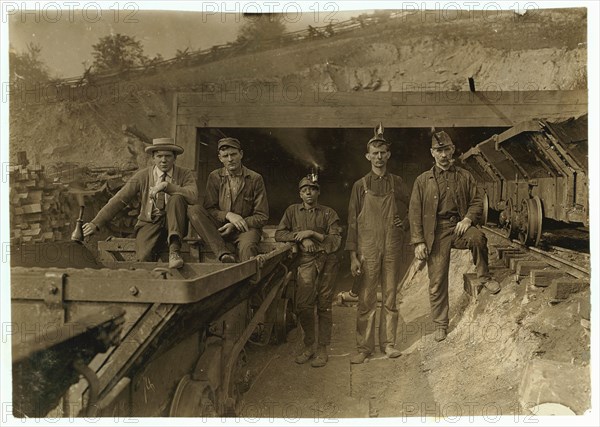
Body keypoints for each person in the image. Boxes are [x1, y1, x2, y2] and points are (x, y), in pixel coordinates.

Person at [408, 131, 501, 343]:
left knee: (478, 238)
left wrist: (468, 219)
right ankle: (441, 324)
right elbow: (414, 213)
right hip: (435, 233)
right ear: (432, 153)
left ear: (452, 150)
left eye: (447, 149)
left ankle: (484, 277)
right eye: (439, 151)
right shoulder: (423, 181)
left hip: (458, 227)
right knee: (437, 280)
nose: (443, 155)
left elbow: (477, 201)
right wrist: (419, 241)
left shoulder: (464, 176)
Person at [346, 125, 410, 364]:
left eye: (383, 152)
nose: (379, 156)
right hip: (368, 248)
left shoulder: (397, 182)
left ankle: (389, 344)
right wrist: (353, 256)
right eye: (375, 153)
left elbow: (413, 206)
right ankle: (364, 347)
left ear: (388, 155)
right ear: (368, 156)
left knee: (391, 295)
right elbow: (352, 222)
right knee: (366, 298)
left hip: (392, 246)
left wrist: (402, 224)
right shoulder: (360, 186)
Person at [83, 138, 197, 269]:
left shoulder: (184, 174)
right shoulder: (142, 176)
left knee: (177, 198)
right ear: (153, 158)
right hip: (150, 222)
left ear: (175, 157)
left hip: (176, 221)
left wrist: (167, 186)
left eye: (168, 156)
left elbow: (193, 196)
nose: (163, 160)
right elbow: (119, 199)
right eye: (159, 156)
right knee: (143, 258)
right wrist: (96, 223)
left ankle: (174, 252)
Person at [275, 177, 342, 368]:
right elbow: (279, 234)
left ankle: (322, 348)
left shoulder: (328, 213)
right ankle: (309, 345)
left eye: (312, 189)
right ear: (299, 193)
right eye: (304, 190)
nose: (308, 193)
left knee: (324, 305)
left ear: (318, 192)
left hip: (328, 261)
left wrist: (311, 233)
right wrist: (301, 238)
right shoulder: (292, 211)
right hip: (305, 261)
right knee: (303, 304)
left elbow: (335, 241)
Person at [190, 137, 268, 262]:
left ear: (241, 154)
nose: (230, 159)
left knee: (247, 247)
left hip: (246, 229)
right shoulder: (215, 177)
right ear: (220, 158)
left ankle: (248, 281)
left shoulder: (255, 178)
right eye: (225, 156)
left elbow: (262, 216)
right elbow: (209, 209)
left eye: (233, 154)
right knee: (194, 210)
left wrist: (235, 224)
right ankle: (223, 253)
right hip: (220, 228)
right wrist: (228, 215)